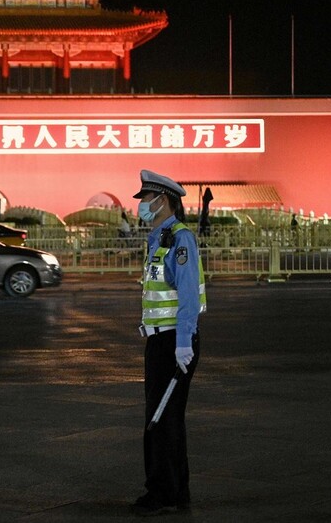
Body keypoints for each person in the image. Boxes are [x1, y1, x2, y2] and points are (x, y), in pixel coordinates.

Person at [131, 169, 206, 516]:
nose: (142, 205)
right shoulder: (157, 239)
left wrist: (184, 342)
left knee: (161, 419)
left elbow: (188, 293)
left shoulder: (179, 239)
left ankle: (161, 493)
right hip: (160, 341)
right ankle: (177, 492)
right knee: (168, 417)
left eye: (146, 199)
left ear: (164, 200)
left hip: (175, 343)